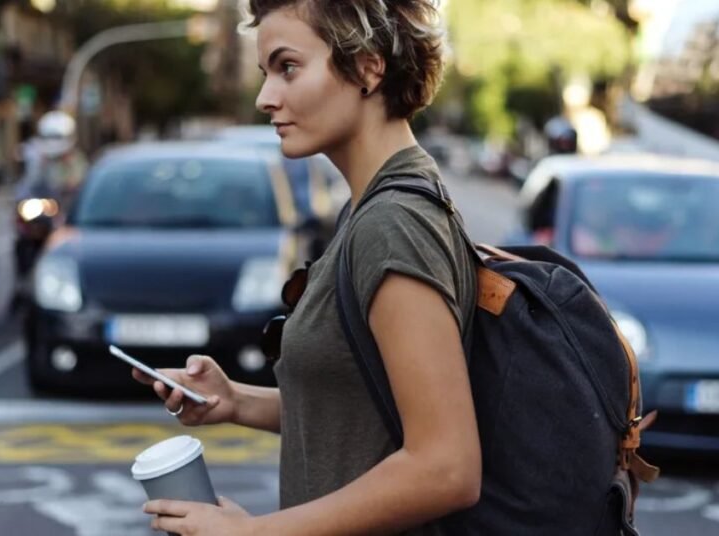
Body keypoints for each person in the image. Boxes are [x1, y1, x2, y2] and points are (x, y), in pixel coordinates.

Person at [133, 1, 481, 534]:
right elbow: (361, 412)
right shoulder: (372, 208)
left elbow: (446, 467)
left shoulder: (393, 223)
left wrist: (254, 532)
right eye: (265, 73)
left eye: (288, 67)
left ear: (367, 68)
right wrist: (235, 401)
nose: (265, 97)